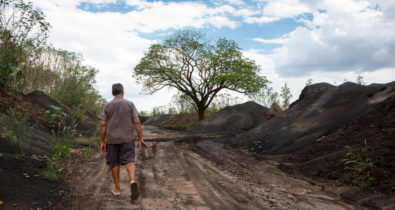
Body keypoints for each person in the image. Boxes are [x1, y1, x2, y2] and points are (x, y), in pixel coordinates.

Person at [99, 83, 149, 201]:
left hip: (112, 140)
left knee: (114, 163)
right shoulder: (130, 104)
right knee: (129, 160)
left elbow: (103, 124)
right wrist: (140, 138)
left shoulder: (107, 106)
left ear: (112, 93)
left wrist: (102, 141)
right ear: (123, 91)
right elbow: (137, 122)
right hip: (127, 139)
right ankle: (132, 181)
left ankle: (117, 190)